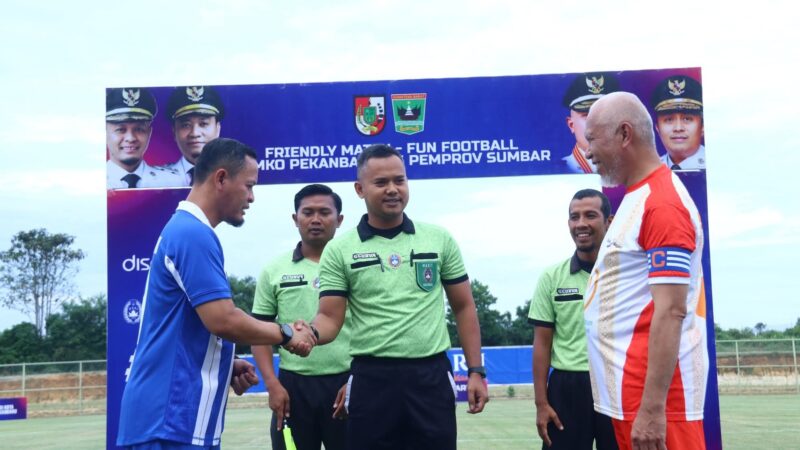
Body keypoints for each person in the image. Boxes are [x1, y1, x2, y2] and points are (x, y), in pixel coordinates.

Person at [117, 138, 317, 449]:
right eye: (249, 186)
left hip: (175, 420)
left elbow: (189, 323)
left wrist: (223, 362)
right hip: (169, 422)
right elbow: (222, 319)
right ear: (221, 178)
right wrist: (287, 333)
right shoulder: (192, 233)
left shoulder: (187, 230)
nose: (251, 198)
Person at [310, 144, 489, 450]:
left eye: (399, 180)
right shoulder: (339, 250)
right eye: (381, 183)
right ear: (360, 189)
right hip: (371, 379)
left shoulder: (438, 238)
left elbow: (463, 306)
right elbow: (329, 317)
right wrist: (309, 334)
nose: (393, 189)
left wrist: (475, 371)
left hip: (430, 377)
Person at [583, 92, 708, 450]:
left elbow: (671, 310)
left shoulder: (663, 204)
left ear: (624, 135)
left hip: (659, 405)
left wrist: (652, 408)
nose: (588, 151)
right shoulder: (638, 197)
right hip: (633, 397)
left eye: (592, 138)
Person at [251, 184, 351, 450]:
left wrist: (357, 381)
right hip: (293, 389)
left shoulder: (354, 266)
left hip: (347, 384)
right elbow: (259, 333)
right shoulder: (274, 270)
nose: (316, 219)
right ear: (295, 218)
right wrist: (272, 384)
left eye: (324, 212)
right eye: (307, 212)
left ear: (339, 220)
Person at [528, 189, 617, 450]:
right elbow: (542, 345)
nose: (581, 224)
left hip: (615, 385)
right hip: (567, 388)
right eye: (574, 217)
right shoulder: (552, 277)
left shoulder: (627, 273)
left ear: (608, 222)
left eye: (590, 215)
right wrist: (541, 403)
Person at [106, 87, 183, 189]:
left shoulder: (173, 182)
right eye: (121, 130)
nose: (131, 138)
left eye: (139, 129)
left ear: (149, 133)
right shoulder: (89, 182)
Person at [163, 86, 225, 186]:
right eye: (186, 125)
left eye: (203, 124)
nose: (195, 133)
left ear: (217, 129)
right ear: (174, 132)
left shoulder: (232, 176)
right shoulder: (159, 179)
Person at [561, 73, 620, 174]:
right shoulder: (562, 169)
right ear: (571, 125)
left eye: (605, 114)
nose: (597, 123)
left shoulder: (636, 168)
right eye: (587, 115)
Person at [651, 75, 705, 170]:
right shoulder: (651, 171)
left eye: (687, 119)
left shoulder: (717, 165)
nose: (678, 128)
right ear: (657, 128)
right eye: (669, 120)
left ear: (703, 126)